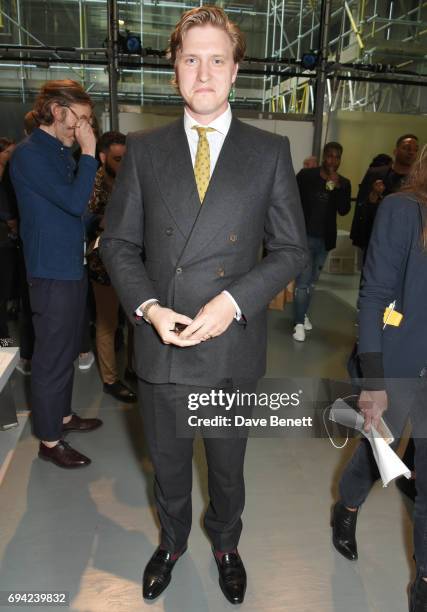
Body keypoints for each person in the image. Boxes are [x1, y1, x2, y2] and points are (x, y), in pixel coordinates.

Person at [101, 6, 307, 605]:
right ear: (174, 71)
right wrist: (147, 307)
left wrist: (233, 302)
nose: (204, 71)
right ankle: (171, 542)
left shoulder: (269, 151)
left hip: (229, 344)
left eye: (217, 59)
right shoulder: (143, 149)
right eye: (191, 59)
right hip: (162, 343)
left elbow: (292, 250)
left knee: (225, 469)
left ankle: (225, 543)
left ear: (236, 70)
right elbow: (117, 243)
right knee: (167, 466)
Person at [331, 146, 427, 612]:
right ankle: (346, 508)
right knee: (377, 454)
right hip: (399, 363)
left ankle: (423, 582)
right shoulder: (403, 209)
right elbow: (373, 297)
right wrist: (374, 379)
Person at [10, 80, 103, 469]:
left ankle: (62, 416)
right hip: (51, 271)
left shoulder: (57, 152)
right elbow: (70, 201)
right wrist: (91, 152)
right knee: (51, 358)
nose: (82, 127)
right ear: (56, 110)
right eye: (78, 119)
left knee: (66, 351)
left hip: (70, 265)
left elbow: (77, 212)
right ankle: (50, 440)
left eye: (88, 121)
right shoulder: (31, 154)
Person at [87, 131, 136, 403]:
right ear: (103, 157)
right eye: (118, 159)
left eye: (126, 158)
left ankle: (133, 369)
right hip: (103, 262)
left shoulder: (131, 179)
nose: (124, 163)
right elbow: (88, 218)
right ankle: (110, 380)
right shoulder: (92, 185)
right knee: (107, 322)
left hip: (133, 262)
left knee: (137, 320)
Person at [293, 141, 351, 342]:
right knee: (302, 282)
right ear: (323, 155)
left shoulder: (344, 182)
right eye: (330, 155)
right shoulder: (307, 176)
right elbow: (291, 198)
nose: (333, 160)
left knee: (312, 283)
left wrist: (339, 187)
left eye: (337, 157)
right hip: (305, 236)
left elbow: (344, 210)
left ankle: (303, 314)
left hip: (325, 240)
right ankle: (298, 324)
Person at [350, 134, 419, 251]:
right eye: (406, 148)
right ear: (395, 151)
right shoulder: (375, 174)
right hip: (375, 237)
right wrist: (373, 196)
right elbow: (361, 206)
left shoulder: (419, 181)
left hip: (406, 242)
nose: (411, 152)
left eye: (415, 150)